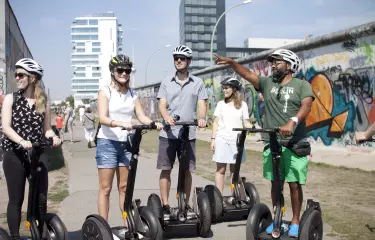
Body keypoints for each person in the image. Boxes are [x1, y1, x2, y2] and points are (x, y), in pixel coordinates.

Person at [214, 49, 314, 237]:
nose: (273, 65)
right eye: (272, 62)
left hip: (294, 144)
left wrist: (292, 122)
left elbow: (306, 105)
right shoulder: (268, 84)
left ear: (290, 64)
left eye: (278, 61)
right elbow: (248, 75)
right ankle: (277, 218)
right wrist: (231, 63)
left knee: (293, 184)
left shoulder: (302, 85)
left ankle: (295, 221)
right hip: (272, 143)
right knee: (275, 183)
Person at [96, 54, 162, 232]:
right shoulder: (105, 91)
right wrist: (121, 123)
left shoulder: (133, 94)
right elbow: (102, 117)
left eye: (127, 70)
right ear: (113, 72)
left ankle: (128, 226)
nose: (124, 73)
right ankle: (103, 229)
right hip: (107, 143)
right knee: (106, 188)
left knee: (124, 187)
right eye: (120, 70)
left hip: (125, 144)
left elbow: (140, 115)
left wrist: (152, 123)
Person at [1, 58, 62, 240]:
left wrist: (54, 137)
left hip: (36, 152)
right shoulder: (11, 99)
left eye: (21, 75)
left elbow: (47, 129)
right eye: (16, 75)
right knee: (16, 199)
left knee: (41, 198)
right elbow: (5, 127)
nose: (17, 78)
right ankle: (14, 236)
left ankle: (40, 233)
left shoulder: (43, 101)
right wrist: (21, 140)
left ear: (32, 78)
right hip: (15, 154)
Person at [156, 45, 208, 218]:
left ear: (189, 61)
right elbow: (161, 104)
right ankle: (164, 205)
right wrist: (166, 116)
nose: (178, 60)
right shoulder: (166, 82)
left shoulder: (198, 83)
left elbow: (202, 103)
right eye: (176, 58)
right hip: (168, 133)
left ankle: (185, 206)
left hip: (188, 133)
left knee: (186, 170)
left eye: (182, 58)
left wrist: (202, 117)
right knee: (166, 169)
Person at [210, 77, 253, 204]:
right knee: (221, 170)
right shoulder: (220, 104)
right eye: (223, 88)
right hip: (222, 139)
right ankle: (219, 200)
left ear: (234, 89)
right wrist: (213, 140)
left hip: (237, 142)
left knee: (235, 171)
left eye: (227, 87)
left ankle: (237, 197)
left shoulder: (243, 105)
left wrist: (254, 128)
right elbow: (215, 123)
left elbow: (246, 122)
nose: (224, 90)